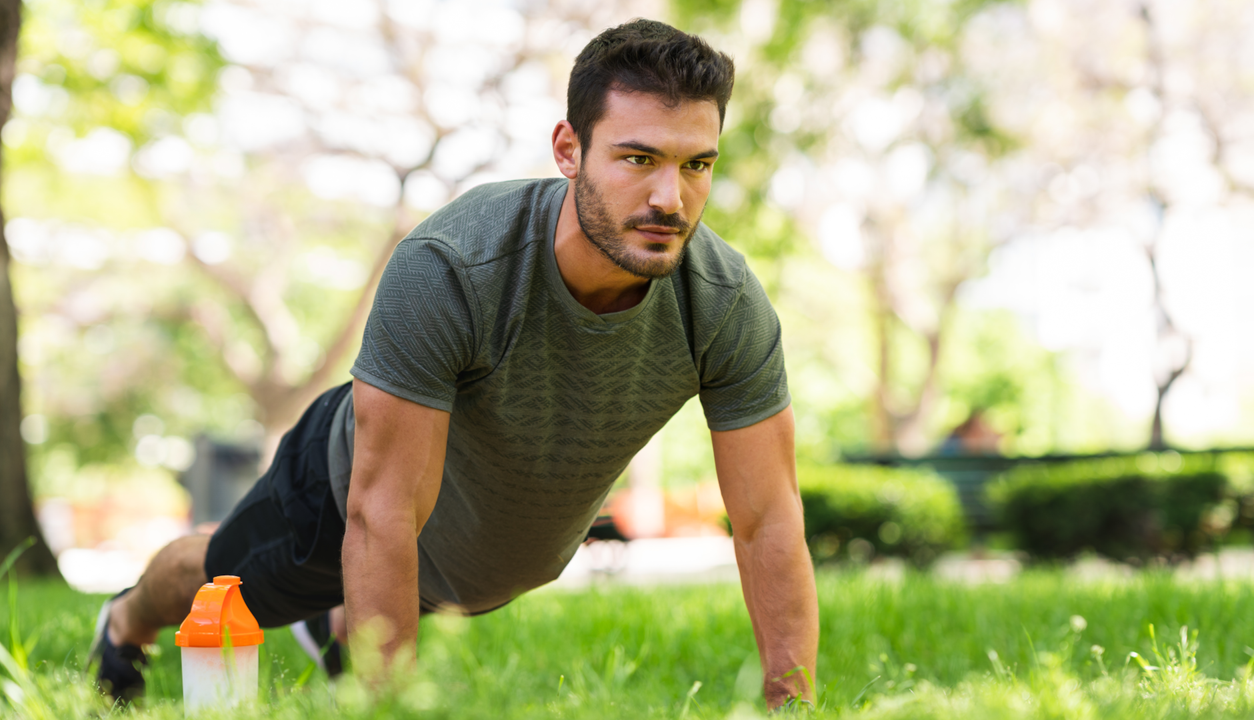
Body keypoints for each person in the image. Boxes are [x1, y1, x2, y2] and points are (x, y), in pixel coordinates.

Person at [89, 18, 819, 710]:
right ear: (569, 150)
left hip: (478, 562)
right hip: (343, 497)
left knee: (390, 587)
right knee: (216, 577)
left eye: (697, 165)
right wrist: (393, 711)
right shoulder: (453, 266)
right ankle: (124, 624)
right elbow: (380, 515)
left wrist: (796, 711)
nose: (671, 198)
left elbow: (767, 519)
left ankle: (343, 619)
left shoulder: (722, 303)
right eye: (638, 159)